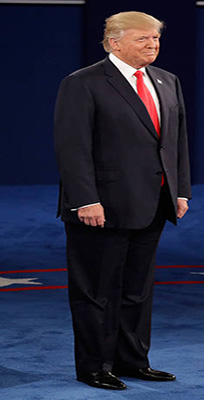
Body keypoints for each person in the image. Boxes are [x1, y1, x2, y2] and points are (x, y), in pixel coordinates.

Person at [54, 11, 191, 390]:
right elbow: (72, 148)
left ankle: (132, 361)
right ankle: (95, 367)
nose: (152, 45)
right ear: (114, 43)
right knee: (96, 291)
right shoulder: (82, 83)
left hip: (153, 202)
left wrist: (179, 190)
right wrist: (85, 200)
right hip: (101, 206)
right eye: (142, 39)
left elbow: (176, 142)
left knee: (137, 290)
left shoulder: (167, 80)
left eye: (156, 38)